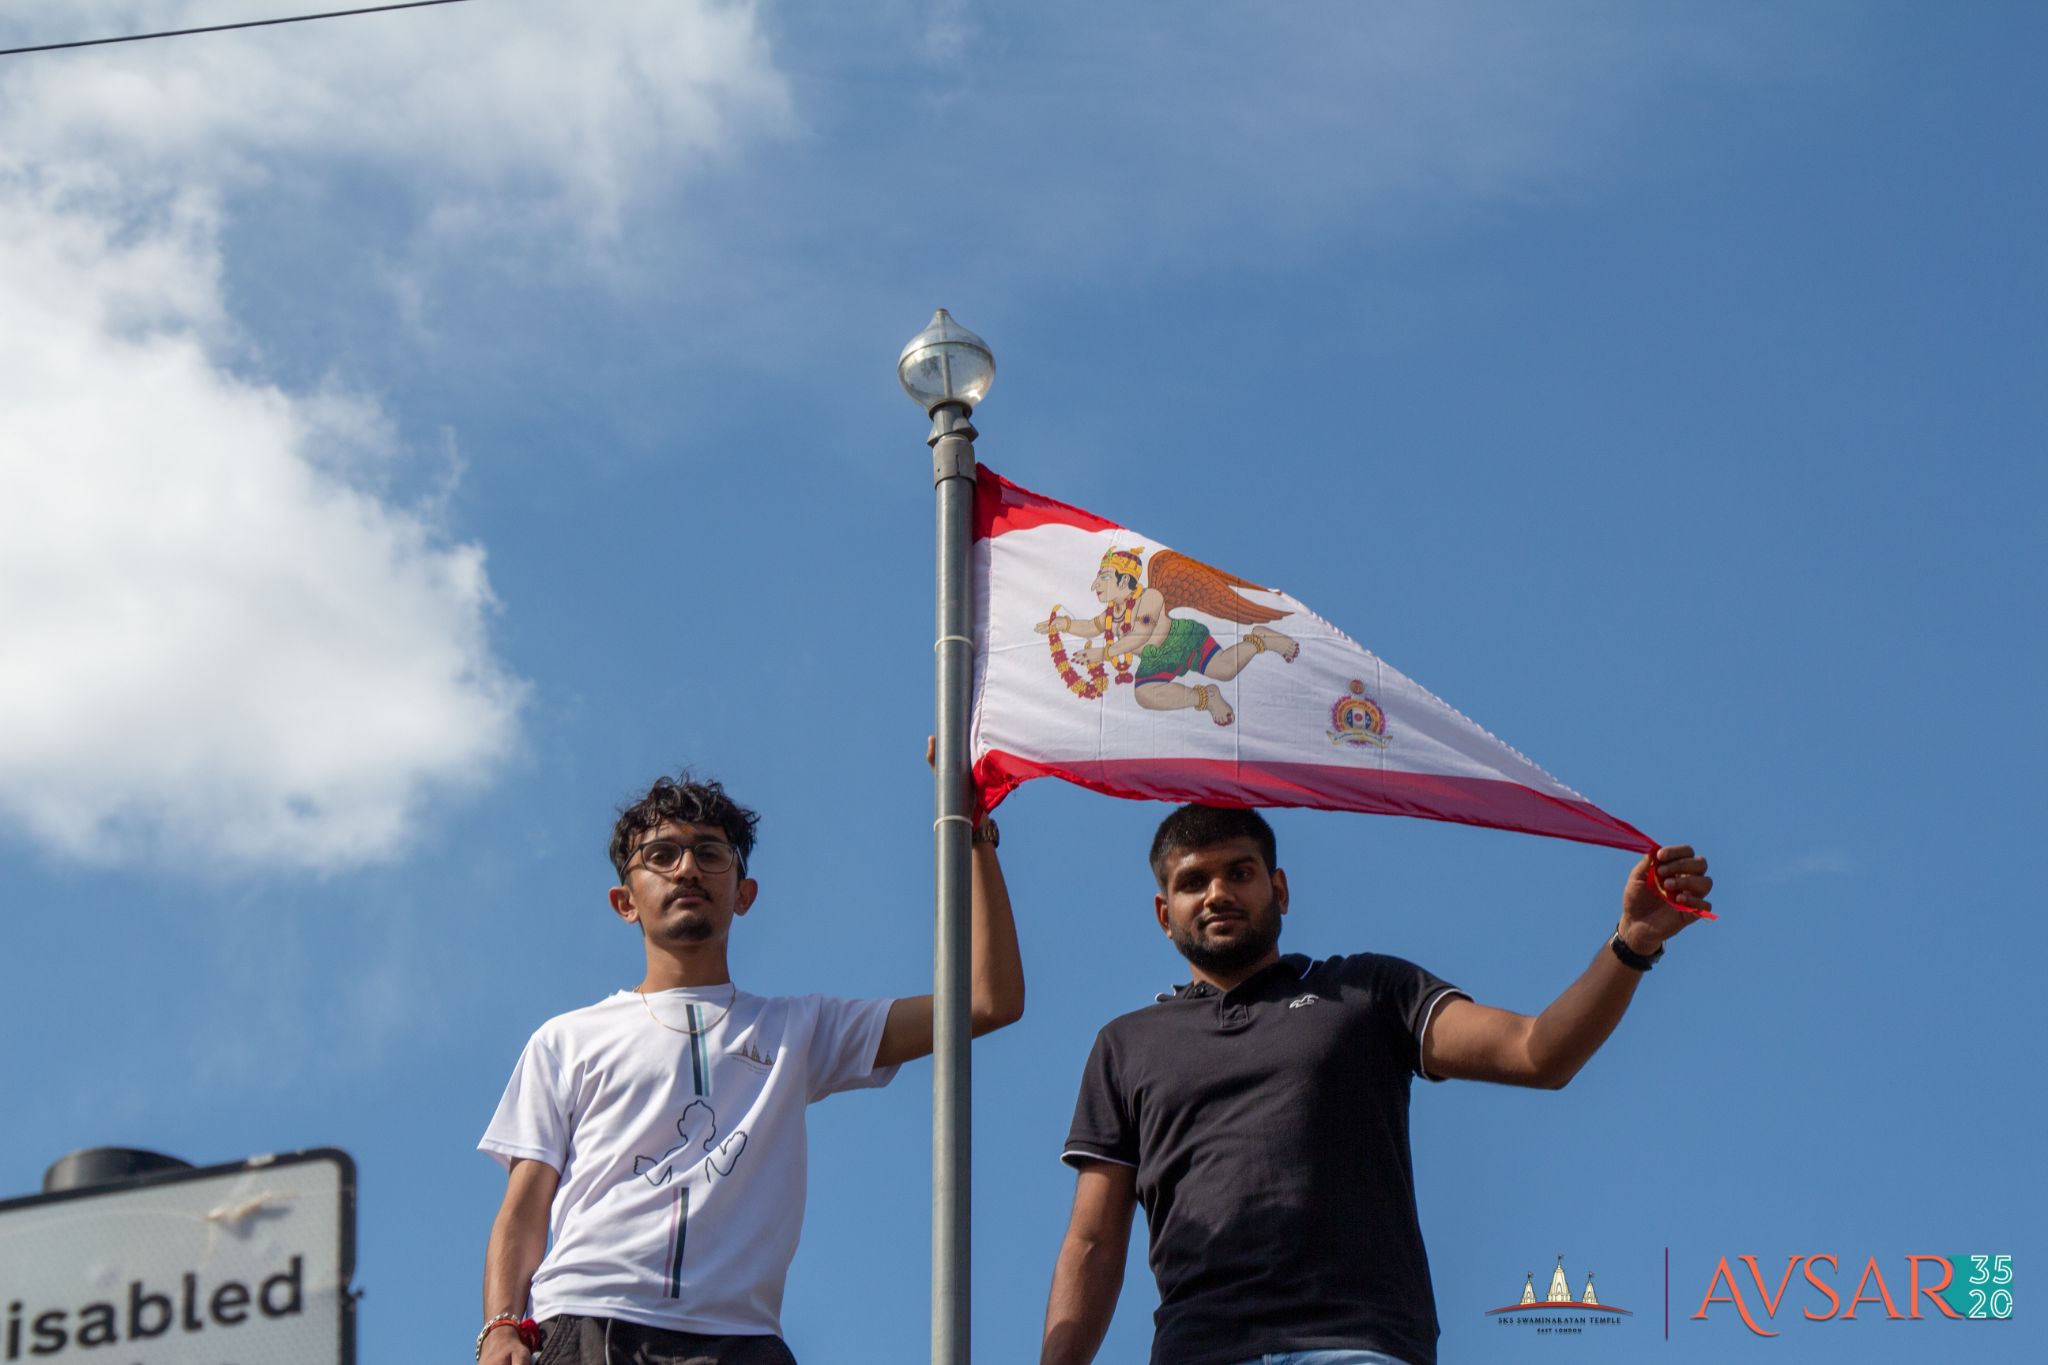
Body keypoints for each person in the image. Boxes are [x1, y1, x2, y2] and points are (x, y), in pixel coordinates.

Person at [1039, 804, 1712, 1365]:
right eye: (1194, 881)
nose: (1217, 893)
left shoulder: (1365, 989)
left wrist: (1631, 942)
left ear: (1280, 890)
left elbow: (1538, 1053)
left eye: (1239, 872)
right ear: (1165, 913)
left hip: (1358, 1344)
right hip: (1199, 1350)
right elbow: (1093, 1242)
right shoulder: (1125, 1044)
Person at [478, 773, 1024, 1365]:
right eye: (661, 855)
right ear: (624, 902)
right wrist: (501, 1326)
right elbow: (524, 1207)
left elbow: (988, 1001)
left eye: (710, 854)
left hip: (742, 1339)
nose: (687, 869)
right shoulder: (565, 1039)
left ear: (744, 893)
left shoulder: (798, 1029)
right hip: (590, 1321)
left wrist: (975, 830)